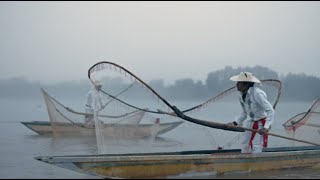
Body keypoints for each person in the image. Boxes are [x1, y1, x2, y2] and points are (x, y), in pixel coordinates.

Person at [227, 72, 275, 154]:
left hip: (261, 123)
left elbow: (270, 110)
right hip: (251, 122)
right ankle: (245, 163)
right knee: (244, 143)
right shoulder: (241, 95)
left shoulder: (257, 94)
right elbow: (245, 113)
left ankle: (257, 164)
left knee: (255, 145)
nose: (236, 84)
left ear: (246, 84)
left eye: (239, 82)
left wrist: (266, 127)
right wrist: (235, 123)